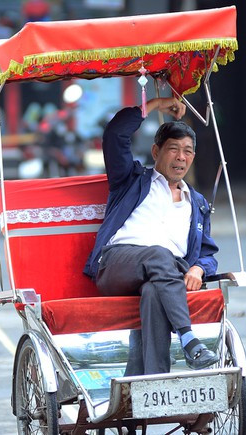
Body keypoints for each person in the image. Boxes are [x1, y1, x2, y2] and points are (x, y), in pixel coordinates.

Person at [83, 97, 219, 376]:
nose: (181, 157)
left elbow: (207, 254)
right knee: (159, 255)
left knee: (154, 291)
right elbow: (115, 134)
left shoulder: (198, 202)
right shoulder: (130, 180)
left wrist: (198, 267)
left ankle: (150, 383)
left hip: (165, 274)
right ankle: (188, 338)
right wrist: (157, 104)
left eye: (188, 151)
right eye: (173, 149)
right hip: (117, 265)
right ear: (156, 151)